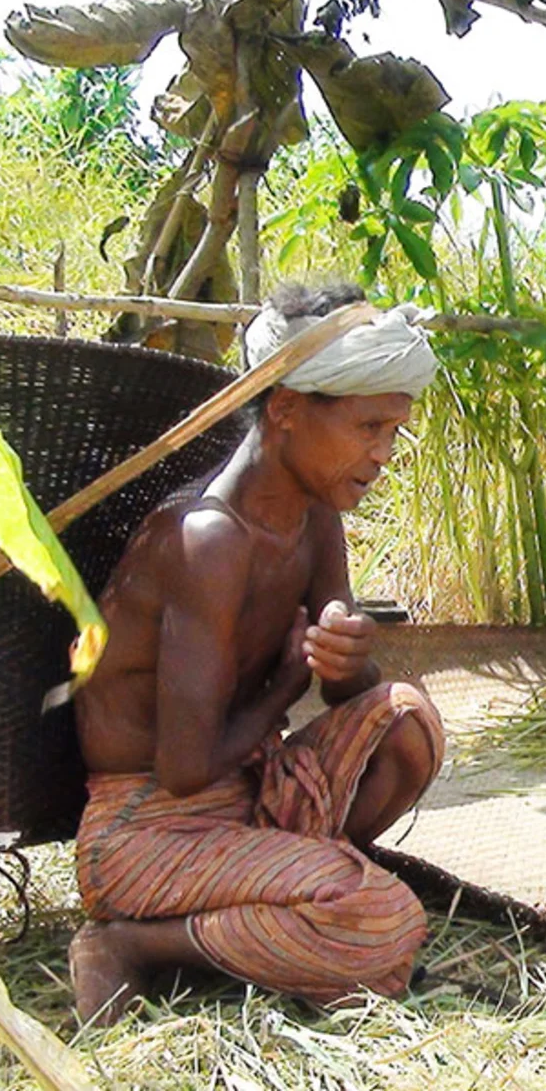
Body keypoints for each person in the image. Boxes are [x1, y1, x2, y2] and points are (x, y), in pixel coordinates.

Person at [68, 281, 445, 1025]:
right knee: (384, 925)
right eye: (370, 427)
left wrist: (349, 663)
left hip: (247, 794)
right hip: (146, 831)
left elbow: (350, 696)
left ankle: (292, 888)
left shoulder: (314, 521)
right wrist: (287, 682)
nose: (384, 452)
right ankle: (135, 946)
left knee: (408, 718)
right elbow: (181, 769)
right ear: (285, 411)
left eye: (394, 432)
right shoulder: (208, 540)